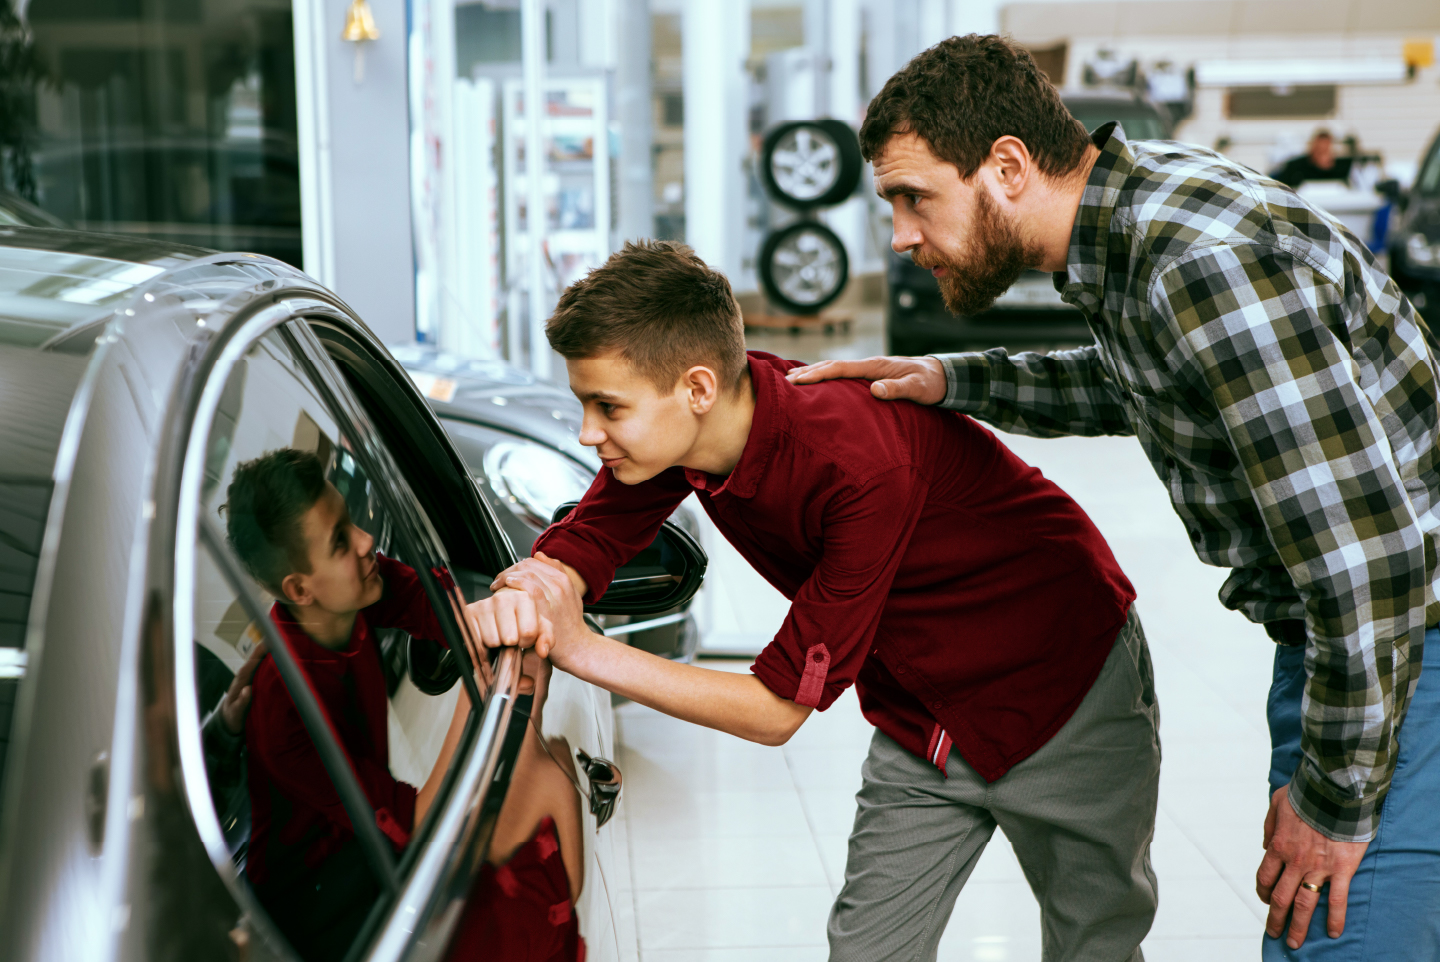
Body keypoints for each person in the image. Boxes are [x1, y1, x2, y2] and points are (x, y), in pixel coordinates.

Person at [786, 34, 1440, 961]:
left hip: (1403, 651)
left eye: (913, 197)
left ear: (1006, 167)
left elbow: (1367, 567)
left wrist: (1335, 807)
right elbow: (1148, 384)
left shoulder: (1198, 263)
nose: (900, 234)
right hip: (1344, 649)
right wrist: (951, 379)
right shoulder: (1134, 220)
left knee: (1335, 938)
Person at [472, 239, 1162, 960]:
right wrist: (530, 587)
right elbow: (587, 542)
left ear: (698, 389)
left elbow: (774, 712)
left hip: (1066, 684)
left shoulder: (854, 463)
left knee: (1095, 943)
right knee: (866, 951)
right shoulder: (692, 432)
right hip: (924, 715)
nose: (589, 433)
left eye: (607, 406)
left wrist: (580, 647)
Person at [224, 448, 472, 962]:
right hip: (316, 911)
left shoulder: (354, 588)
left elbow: (442, 609)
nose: (366, 541)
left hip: (365, 852)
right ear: (299, 588)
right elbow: (414, 819)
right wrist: (479, 691)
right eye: (340, 541)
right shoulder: (287, 705)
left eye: (350, 521)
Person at [1272, 130, 1353, 189]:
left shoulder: (1343, 169)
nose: (1323, 157)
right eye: (1319, 151)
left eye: (1325, 151)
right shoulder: (1296, 167)